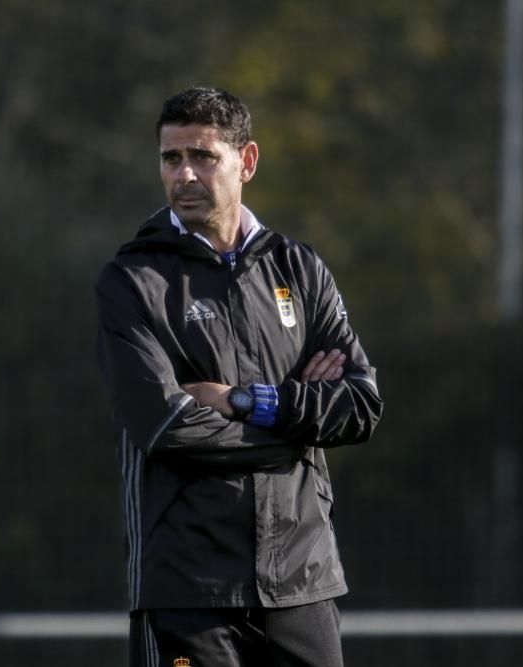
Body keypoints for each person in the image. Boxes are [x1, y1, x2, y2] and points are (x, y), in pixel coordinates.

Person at [95, 87, 383, 667]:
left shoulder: (298, 269)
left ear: (246, 161)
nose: (185, 175)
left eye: (203, 156)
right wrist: (301, 429)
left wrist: (246, 401)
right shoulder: (131, 282)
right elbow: (169, 427)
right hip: (188, 589)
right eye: (171, 159)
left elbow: (359, 405)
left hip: (303, 580)